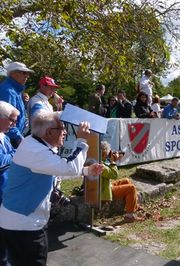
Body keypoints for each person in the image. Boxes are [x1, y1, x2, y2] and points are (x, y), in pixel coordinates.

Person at [0, 112, 103, 266]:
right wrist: (81, 140)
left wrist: (86, 171)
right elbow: (69, 167)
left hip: (19, 221)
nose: (66, 132)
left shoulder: (34, 144)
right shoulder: (36, 151)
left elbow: (54, 168)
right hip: (24, 224)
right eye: (62, 128)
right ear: (49, 132)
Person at [96, 141, 141, 222]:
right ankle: (129, 216)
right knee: (131, 188)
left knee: (126, 181)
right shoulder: (100, 166)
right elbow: (114, 175)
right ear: (104, 152)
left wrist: (111, 160)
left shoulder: (98, 160)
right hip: (104, 192)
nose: (109, 153)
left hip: (104, 186)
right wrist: (113, 161)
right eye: (108, 152)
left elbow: (109, 172)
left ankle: (134, 207)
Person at [0, 101, 19, 266]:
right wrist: (18, 155)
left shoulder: (4, 137)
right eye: (11, 120)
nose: (13, 124)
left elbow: (11, 153)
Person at [0, 62, 34, 148]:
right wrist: (19, 138)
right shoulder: (8, 91)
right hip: (9, 138)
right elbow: (7, 119)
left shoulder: (14, 90)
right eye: (24, 73)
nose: (27, 76)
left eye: (28, 73)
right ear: (13, 73)